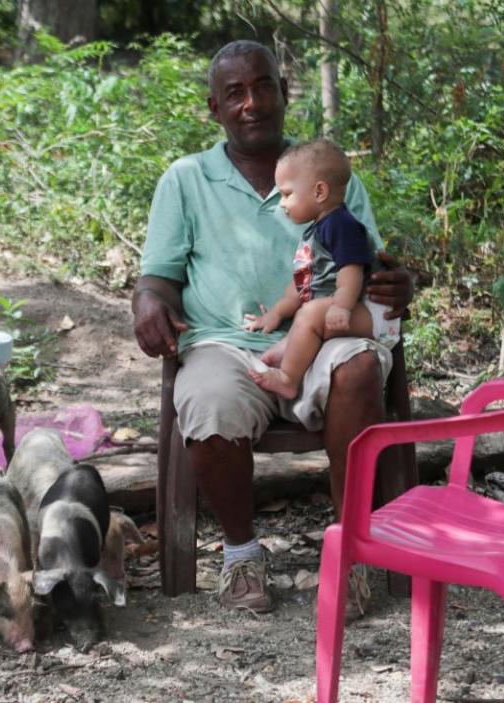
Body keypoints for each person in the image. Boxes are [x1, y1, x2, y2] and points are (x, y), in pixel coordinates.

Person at [132, 40, 413, 613]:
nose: (252, 103)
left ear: (285, 94)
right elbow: (156, 279)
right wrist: (145, 303)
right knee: (207, 398)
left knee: (361, 368)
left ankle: (351, 556)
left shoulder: (328, 173)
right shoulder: (185, 180)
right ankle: (242, 557)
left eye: (263, 87)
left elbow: (371, 266)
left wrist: (397, 286)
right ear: (215, 109)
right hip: (227, 346)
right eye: (234, 93)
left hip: (326, 338)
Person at [244, 138, 401, 400]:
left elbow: (351, 271)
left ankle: (288, 379)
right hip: (344, 309)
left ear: (319, 192)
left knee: (309, 315)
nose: (281, 203)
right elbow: (301, 284)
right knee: (304, 318)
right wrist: (276, 313)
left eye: (286, 194)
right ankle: (283, 354)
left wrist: (341, 306)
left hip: (369, 314)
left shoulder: (341, 225)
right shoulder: (317, 230)